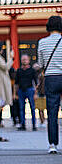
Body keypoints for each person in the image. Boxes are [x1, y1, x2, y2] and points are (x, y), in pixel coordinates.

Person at [37, 15, 62, 154]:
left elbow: (41, 64)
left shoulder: (42, 42)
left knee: (52, 113)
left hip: (51, 78)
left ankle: (53, 144)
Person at [15, 54, 38, 131]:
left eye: (25, 59)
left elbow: (35, 82)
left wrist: (35, 93)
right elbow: (16, 83)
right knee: (21, 108)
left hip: (30, 89)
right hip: (21, 90)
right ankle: (22, 124)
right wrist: (15, 93)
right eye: (23, 59)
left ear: (28, 60)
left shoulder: (32, 70)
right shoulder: (19, 70)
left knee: (32, 107)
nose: (24, 61)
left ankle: (34, 124)